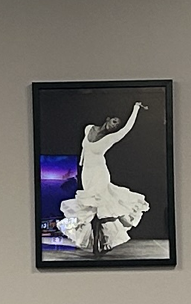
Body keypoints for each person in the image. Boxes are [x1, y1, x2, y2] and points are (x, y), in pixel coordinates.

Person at [55, 102, 147, 257]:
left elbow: (127, 128)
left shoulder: (110, 138)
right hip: (87, 174)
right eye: (114, 122)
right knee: (89, 208)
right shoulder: (89, 128)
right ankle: (101, 243)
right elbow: (84, 150)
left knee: (100, 209)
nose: (114, 126)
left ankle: (102, 243)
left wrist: (135, 109)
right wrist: (81, 167)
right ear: (108, 119)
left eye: (117, 125)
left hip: (100, 173)